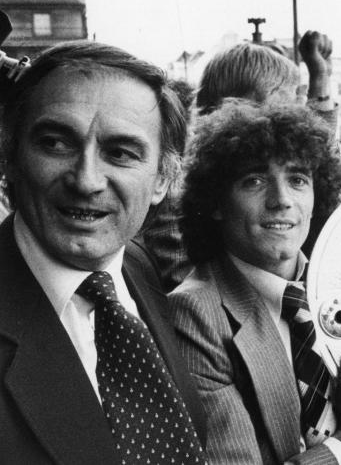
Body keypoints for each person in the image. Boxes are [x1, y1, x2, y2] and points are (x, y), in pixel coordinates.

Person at [0, 41, 206, 463]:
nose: (87, 180)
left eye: (121, 153)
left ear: (163, 179)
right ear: (10, 158)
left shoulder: (136, 266)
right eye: (56, 143)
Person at [170, 101, 341, 464]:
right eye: (254, 181)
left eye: (298, 180)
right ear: (215, 203)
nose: (282, 200)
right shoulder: (194, 315)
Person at [142, 32, 340, 291]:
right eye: (283, 104)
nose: (295, 117)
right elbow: (191, 294)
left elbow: (316, 152)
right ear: (235, 110)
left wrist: (320, 77)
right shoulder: (175, 191)